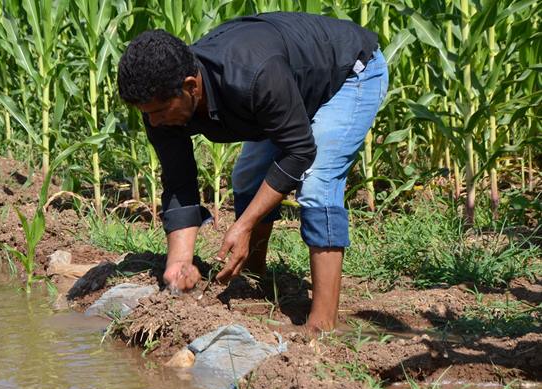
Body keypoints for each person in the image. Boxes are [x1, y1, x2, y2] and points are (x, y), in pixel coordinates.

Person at [116, 12, 388, 333]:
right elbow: (179, 180)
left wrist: (244, 224)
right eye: (147, 115)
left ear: (190, 86)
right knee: (248, 177)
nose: (155, 122)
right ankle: (255, 279)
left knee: (317, 183)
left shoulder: (251, 75)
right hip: (289, 87)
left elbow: (299, 151)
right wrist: (179, 264)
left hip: (348, 73)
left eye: (160, 112)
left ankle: (322, 325)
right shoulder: (160, 104)